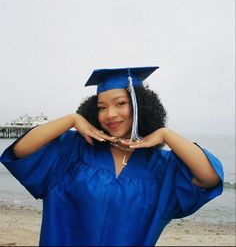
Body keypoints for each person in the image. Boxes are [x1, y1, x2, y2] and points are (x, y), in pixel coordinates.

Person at [0, 66, 224, 246]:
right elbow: (21, 151)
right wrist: (72, 120)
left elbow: (209, 178)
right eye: (101, 107)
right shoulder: (74, 150)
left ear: (140, 107)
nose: (110, 114)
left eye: (121, 103)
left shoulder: (161, 168)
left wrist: (165, 135)